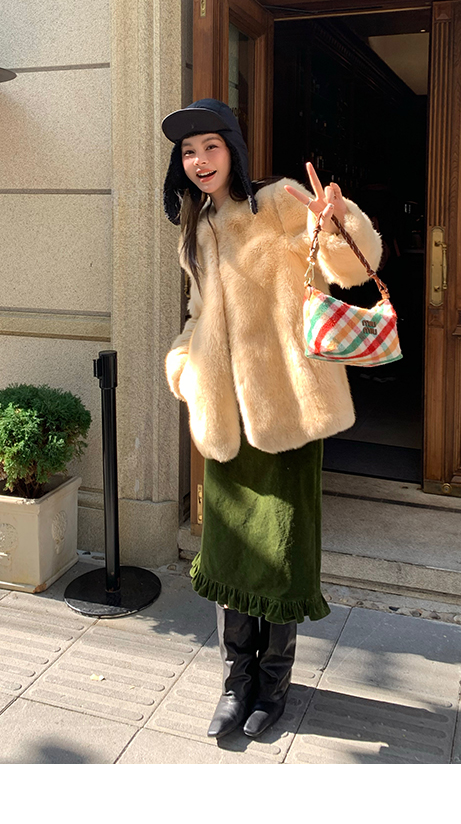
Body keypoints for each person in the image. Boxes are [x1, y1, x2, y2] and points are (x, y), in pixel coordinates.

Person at [162, 98, 381, 740]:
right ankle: (236, 680)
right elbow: (198, 316)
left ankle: (274, 681)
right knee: (228, 554)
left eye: (210, 146)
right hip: (224, 417)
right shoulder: (196, 229)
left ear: (232, 148)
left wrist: (337, 221)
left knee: (282, 554)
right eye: (188, 152)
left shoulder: (282, 201)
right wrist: (184, 368)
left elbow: (350, 268)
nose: (200, 160)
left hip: (289, 413)